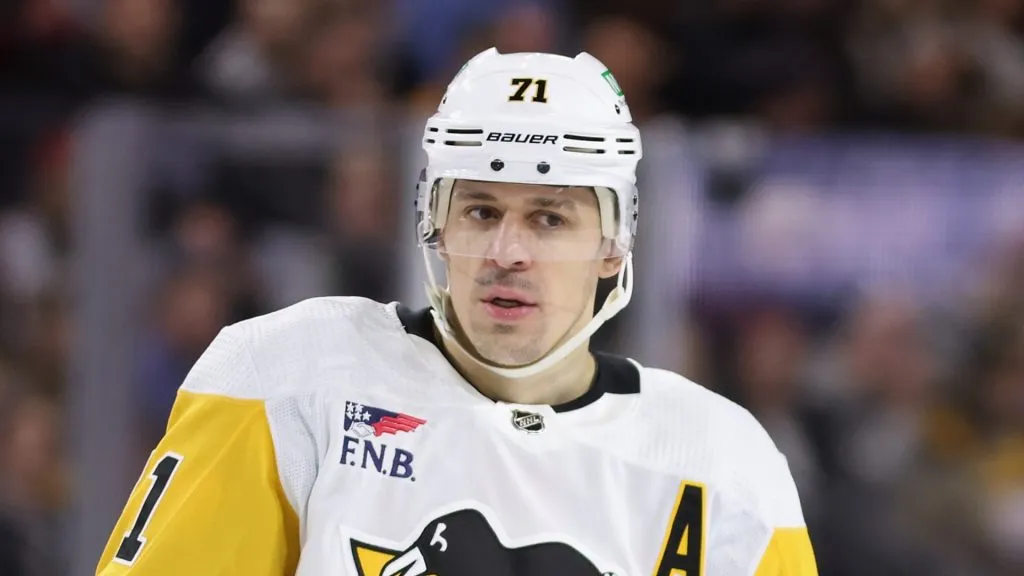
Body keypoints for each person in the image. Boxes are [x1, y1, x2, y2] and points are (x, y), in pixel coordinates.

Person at [95, 48, 818, 575]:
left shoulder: (722, 467)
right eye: (480, 209)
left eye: (549, 219)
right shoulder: (288, 375)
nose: (507, 250)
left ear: (614, 244)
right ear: (434, 223)